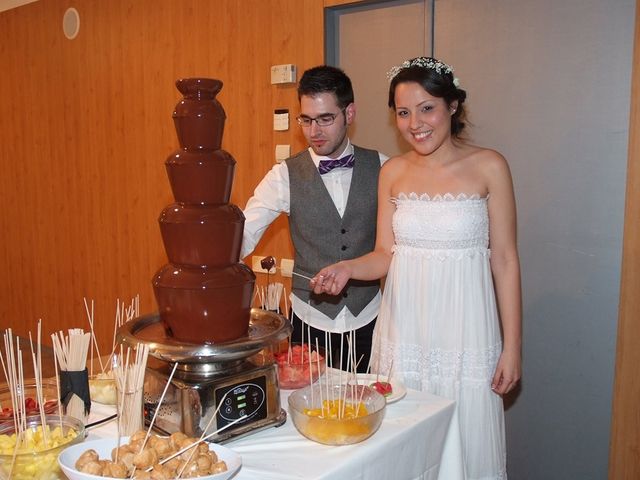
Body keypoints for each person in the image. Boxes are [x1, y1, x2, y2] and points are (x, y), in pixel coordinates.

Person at [310, 57, 522, 479]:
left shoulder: (489, 166)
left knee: (465, 439)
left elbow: (505, 259)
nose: (415, 123)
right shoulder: (393, 172)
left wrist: (512, 346)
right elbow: (386, 254)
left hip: (466, 330)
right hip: (405, 330)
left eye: (427, 108)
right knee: (407, 446)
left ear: (452, 106)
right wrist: (349, 268)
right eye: (403, 113)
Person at [241, 65, 388, 372]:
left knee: (368, 410)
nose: (314, 132)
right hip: (310, 322)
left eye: (325, 119)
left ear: (349, 113)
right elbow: (243, 232)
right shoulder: (284, 175)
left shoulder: (383, 168)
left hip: (371, 317)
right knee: (309, 411)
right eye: (306, 120)